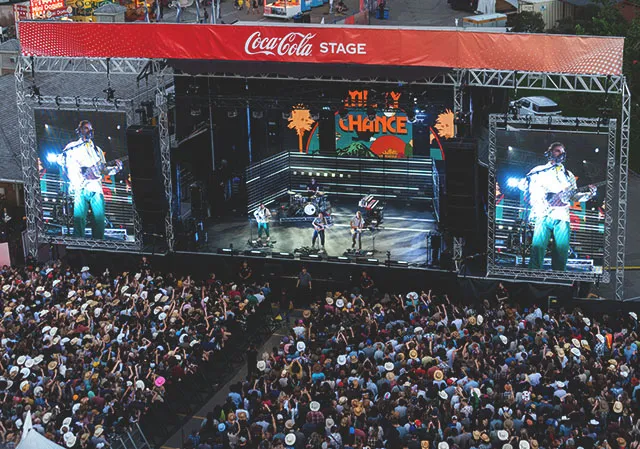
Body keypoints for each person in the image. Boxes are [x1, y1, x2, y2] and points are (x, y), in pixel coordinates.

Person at [518, 142, 596, 271]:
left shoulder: (568, 175)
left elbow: (574, 196)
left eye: (563, 151)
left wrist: (589, 194)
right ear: (549, 153)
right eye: (557, 151)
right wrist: (540, 197)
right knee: (538, 247)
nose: (561, 153)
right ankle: (533, 275)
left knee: (562, 248)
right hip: (543, 213)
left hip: (562, 216)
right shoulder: (538, 170)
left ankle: (559, 276)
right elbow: (523, 185)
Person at [57, 120, 123, 240]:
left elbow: (104, 169)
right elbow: (61, 160)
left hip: (96, 188)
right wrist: (78, 171)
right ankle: (79, 247)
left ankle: (98, 246)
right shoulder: (72, 147)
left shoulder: (97, 150)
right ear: (80, 130)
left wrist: (116, 168)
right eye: (86, 128)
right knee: (79, 219)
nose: (89, 131)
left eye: (91, 129)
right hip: (80, 187)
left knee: (99, 220)